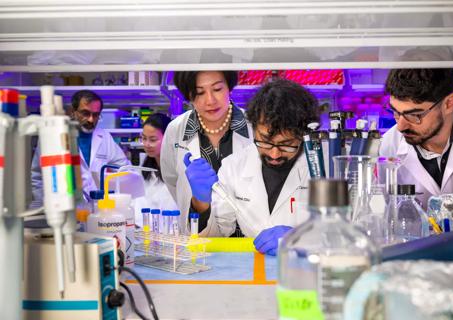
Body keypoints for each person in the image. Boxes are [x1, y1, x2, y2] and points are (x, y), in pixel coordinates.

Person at [184, 78, 319, 256]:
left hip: (310, 271)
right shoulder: (234, 166)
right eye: (265, 142)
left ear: (304, 135)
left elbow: (358, 232)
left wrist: (302, 240)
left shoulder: (327, 166)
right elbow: (215, 236)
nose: (274, 154)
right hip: (255, 272)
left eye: (287, 145)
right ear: (254, 128)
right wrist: (200, 202)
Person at [160, 71, 253, 233]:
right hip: (198, 240)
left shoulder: (254, 126)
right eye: (199, 92)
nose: (210, 100)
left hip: (248, 242)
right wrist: (198, 202)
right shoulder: (175, 130)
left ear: (229, 87)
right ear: (189, 95)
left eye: (217, 89)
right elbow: (172, 181)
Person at [379, 68, 453, 208]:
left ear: (449, 103)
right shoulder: (390, 144)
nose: (401, 126)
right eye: (396, 112)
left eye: (414, 115)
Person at [31, 90, 130, 206]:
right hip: (65, 207)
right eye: (85, 113)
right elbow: (37, 177)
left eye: (96, 115)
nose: (91, 120)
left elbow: (125, 170)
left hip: (99, 208)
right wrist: (47, 206)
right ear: (73, 112)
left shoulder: (105, 138)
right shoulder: (53, 137)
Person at [134, 113, 177, 225]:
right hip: (148, 232)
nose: (147, 144)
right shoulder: (145, 170)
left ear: (169, 138)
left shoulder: (178, 170)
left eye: (153, 139)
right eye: (144, 138)